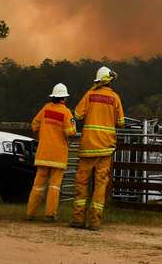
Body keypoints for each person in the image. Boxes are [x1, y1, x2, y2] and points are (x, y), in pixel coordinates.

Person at [70, 66, 124, 231]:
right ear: (110, 81)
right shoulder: (115, 98)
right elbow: (121, 122)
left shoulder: (90, 94)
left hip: (88, 147)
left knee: (81, 183)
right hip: (106, 148)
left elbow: (77, 115)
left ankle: (78, 219)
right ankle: (94, 221)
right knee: (101, 185)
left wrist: (91, 92)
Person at [25, 83, 76, 221]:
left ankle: (30, 213)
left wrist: (44, 133)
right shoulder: (66, 112)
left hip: (43, 153)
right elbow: (70, 132)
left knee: (38, 185)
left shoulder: (45, 109)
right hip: (58, 155)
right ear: (64, 98)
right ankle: (50, 214)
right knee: (54, 186)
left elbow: (34, 125)